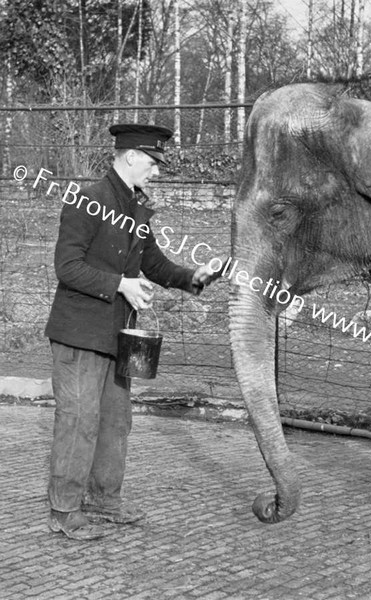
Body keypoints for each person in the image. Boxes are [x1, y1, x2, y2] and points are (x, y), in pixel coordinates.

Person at [44, 123, 219, 540]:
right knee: (79, 420)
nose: (156, 171)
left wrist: (194, 276)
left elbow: (154, 264)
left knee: (115, 422)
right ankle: (64, 510)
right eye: (153, 162)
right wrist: (119, 284)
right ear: (130, 157)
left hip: (117, 335)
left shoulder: (137, 208)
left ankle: (105, 503)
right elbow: (66, 268)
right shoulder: (87, 202)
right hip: (78, 335)